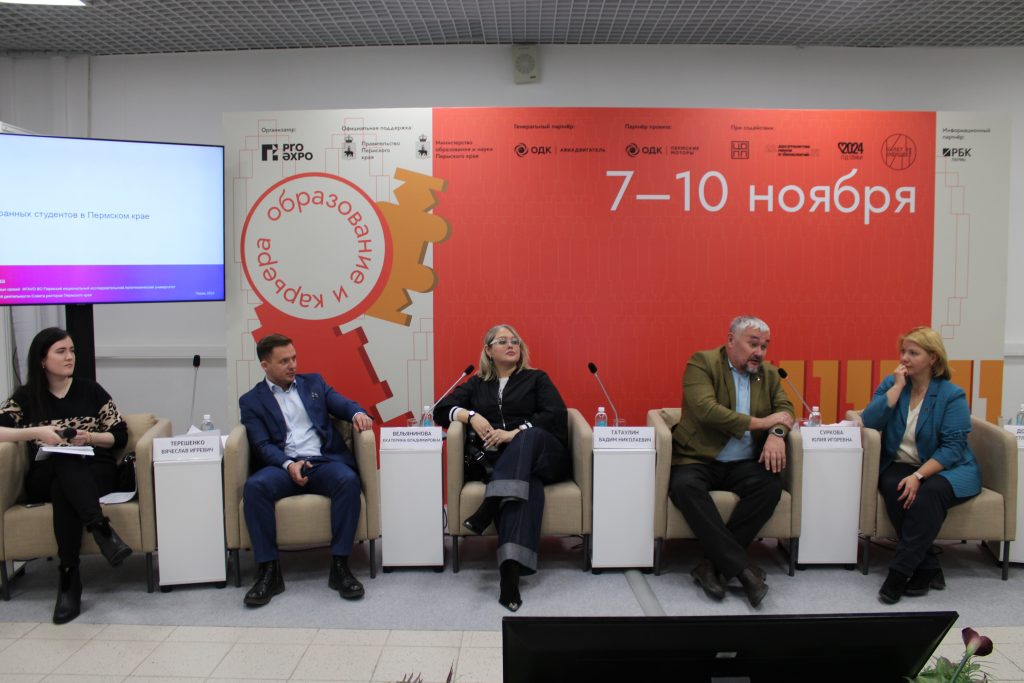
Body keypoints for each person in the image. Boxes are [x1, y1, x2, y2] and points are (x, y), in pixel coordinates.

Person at [434, 324, 570, 612]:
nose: (511, 345)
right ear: (488, 350)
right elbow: (440, 410)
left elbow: (555, 415)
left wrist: (514, 433)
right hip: (509, 467)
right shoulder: (477, 384)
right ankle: (510, 575)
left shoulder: (536, 378)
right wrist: (471, 415)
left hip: (545, 455)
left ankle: (489, 504)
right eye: (503, 341)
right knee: (525, 489)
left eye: (515, 341)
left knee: (529, 436)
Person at [0, 327, 132, 624]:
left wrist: (90, 438)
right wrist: (38, 432)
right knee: (62, 463)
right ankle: (100, 529)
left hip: (94, 470)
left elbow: (120, 435)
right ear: (42, 360)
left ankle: (69, 578)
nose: (69, 357)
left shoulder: (91, 390)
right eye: (61, 351)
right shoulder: (25, 397)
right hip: (45, 473)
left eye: (71, 350)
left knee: (65, 484)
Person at [238, 333, 373, 607]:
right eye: (284, 361)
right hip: (281, 465)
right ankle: (269, 572)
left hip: (321, 461)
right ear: (265, 365)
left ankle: (340, 567)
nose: (292, 365)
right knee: (255, 487)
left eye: (294, 358)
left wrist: (357, 413)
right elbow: (262, 445)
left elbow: (342, 404)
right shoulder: (251, 400)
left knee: (347, 480)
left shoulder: (314, 383)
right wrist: (288, 464)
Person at [669, 315, 795, 607]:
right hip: (698, 457)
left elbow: (785, 410)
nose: (759, 352)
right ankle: (744, 570)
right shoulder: (702, 363)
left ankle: (711, 566)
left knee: (769, 487)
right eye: (753, 344)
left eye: (764, 346)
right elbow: (706, 410)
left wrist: (776, 435)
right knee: (685, 487)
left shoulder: (768, 374)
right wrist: (763, 423)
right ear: (730, 340)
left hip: (743, 463)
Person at [860, 326, 980, 604]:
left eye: (913, 353)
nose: (904, 358)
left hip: (948, 468)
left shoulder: (951, 395)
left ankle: (899, 573)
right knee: (895, 487)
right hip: (901, 462)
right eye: (903, 351)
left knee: (928, 493)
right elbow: (869, 421)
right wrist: (897, 388)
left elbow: (952, 448)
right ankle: (927, 566)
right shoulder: (893, 384)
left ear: (933, 358)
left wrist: (918, 476)